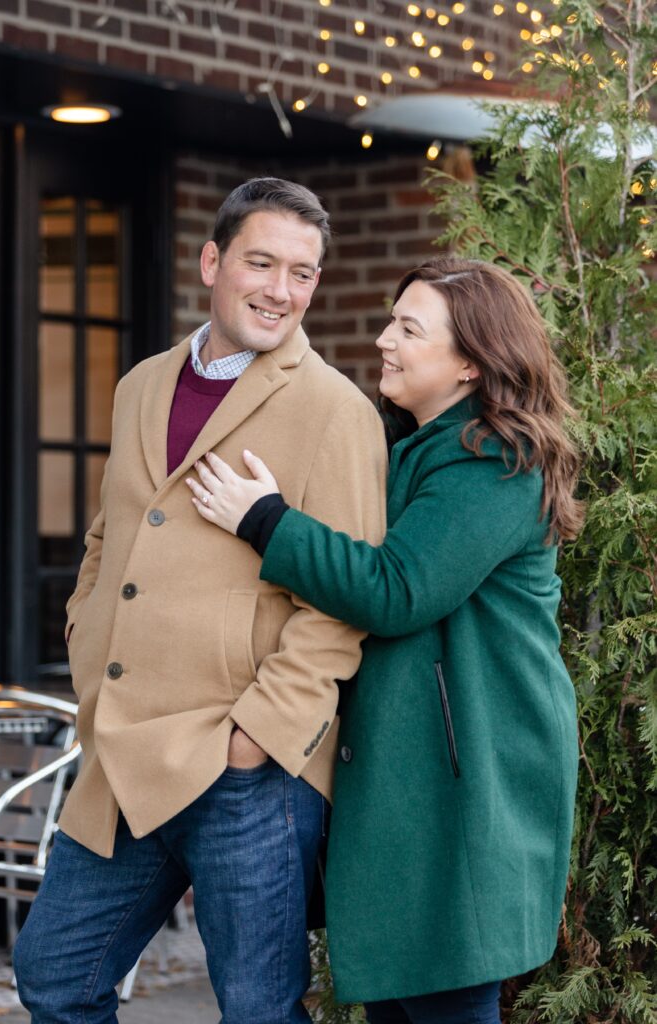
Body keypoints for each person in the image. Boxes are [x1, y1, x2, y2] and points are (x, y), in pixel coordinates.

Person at [13, 178, 387, 1024]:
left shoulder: (335, 412)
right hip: (126, 745)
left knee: (258, 1010)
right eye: (260, 262)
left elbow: (342, 600)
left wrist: (258, 736)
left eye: (303, 272)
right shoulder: (142, 383)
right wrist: (86, 628)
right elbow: (110, 534)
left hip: (242, 768)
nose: (280, 290)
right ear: (212, 262)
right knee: (54, 977)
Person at [187, 256, 583, 1024]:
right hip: (422, 776)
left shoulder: (495, 464)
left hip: (470, 779)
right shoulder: (411, 448)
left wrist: (262, 518)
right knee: (408, 999)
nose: (381, 341)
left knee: (447, 995)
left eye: (407, 328)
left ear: (470, 361)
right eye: (389, 322)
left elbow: (397, 591)